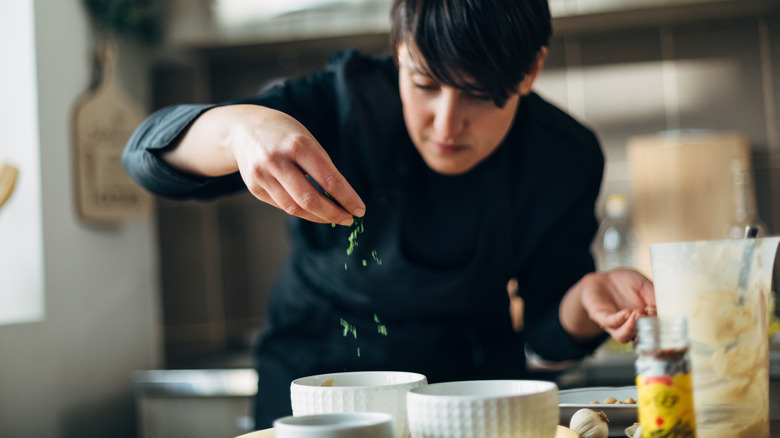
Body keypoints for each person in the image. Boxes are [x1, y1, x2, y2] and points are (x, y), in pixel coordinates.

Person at [123, 0, 655, 429]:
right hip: (319, 390)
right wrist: (237, 130)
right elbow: (146, 156)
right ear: (399, 50)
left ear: (530, 70)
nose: (447, 123)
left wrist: (586, 301)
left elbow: (546, 329)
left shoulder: (562, 154)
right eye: (425, 83)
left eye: (477, 95)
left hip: (470, 400)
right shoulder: (340, 100)